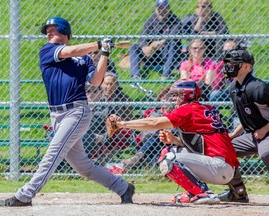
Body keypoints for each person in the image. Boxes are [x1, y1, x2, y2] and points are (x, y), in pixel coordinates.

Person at [0, 17, 134, 207]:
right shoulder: (48, 50)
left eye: (53, 29)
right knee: (83, 167)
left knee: (53, 153)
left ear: (65, 31)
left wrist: (104, 53)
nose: (48, 33)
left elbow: (95, 81)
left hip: (76, 111)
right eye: (47, 31)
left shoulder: (84, 58)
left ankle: (25, 195)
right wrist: (97, 44)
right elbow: (70, 51)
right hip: (57, 114)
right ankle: (123, 187)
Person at [111, 78, 241, 204]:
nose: (174, 98)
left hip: (219, 166)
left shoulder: (189, 109)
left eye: (179, 94)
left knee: (168, 159)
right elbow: (202, 144)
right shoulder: (204, 108)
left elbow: (154, 122)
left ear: (189, 95)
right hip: (224, 167)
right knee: (172, 149)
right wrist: (175, 140)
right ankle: (194, 192)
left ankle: (203, 193)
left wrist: (122, 124)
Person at [218, 48, 269, 202]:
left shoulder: (258, 88)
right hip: (254, 135)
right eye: (228, 63)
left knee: (266, 153)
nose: (229, 66)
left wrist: (264, 129)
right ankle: (238, 193)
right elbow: (248, 116)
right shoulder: (234, 88)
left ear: (247, 67)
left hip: (266, 133)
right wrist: (234, 134)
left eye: (235, 63)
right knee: (224, 149)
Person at [121, 86, 173, 170]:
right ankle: (142, 159)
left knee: (156, 138)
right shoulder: (154, 112)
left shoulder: (174, 113)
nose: (166, 102)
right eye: (164, 99)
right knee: (153, 139)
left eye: (169, 99)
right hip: (147, 137)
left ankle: (139, 157)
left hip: (162, 140)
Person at [129, 0, 183, 80]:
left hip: (167, 54)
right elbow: (142, 37)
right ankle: (135, 76)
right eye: (159, 8)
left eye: (164, 8)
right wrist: (144, 47)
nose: (162, 11)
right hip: (151, 54)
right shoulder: (151, 20)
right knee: (133, 46)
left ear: (168, 8)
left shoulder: (175, 20)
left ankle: (166, 75)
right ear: (156, 9)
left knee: (174, 43)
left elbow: (175, 35)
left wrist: (162, 42)